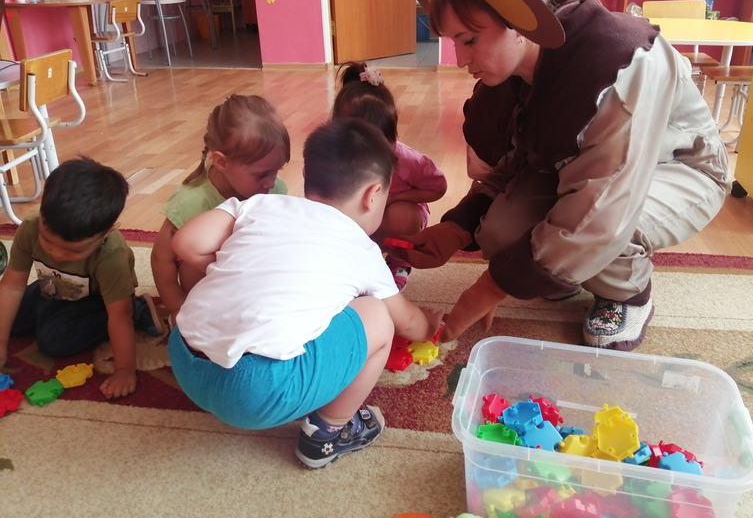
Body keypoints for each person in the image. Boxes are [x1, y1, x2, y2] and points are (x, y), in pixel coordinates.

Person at [399, 0, 730, 350]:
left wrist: (489, 288)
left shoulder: (616, 67)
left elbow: (607, 207)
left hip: (678, 170)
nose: (459, 59)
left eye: (468, 40)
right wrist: (457, 227)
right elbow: (507, 170)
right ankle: (566, 275)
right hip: (583, 174)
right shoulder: (509, 74)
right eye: (454, 41)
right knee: (501, 233)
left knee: (609, 230)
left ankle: (627, 295)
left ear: (518, 22)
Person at [167, 118, 442, 469]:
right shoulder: (363, 250)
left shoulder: (259, 204)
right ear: (373, 195)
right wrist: (431, 324)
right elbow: (408, 324)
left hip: (184, 361)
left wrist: (245, 265)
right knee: (376, 314)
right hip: (253, 394)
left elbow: (186, 243)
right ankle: (326, 435)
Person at [0, 156, 166, 400]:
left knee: (54, 341)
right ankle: (47, 314)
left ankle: (136, 309)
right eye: (48, 242)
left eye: (74, 251)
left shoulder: (111, 254)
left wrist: (124, 371)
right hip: (51, 286)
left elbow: (117, 315)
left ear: (106, 233)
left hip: (98, 300)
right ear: (42, 215)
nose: (57, 255)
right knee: (8, 319)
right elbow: (12, 287)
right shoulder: (30, 227)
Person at [150, 94, 290, 324]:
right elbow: (161, 258)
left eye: (277, 170)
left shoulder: (274, 188)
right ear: (222, 162)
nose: (271, 182)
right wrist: (177, 307)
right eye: (262, 174)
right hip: (206, 287)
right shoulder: (191, 201)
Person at [331, 61, 448, 290]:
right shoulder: (333, 156)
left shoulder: (404, 159)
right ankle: (359, 263)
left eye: (380, 142)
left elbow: (438, 187)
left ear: (391, 134)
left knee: (401, 215)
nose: (370, 152)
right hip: (359, 222)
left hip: (393, 222)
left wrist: (396, 198)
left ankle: (399, 262)